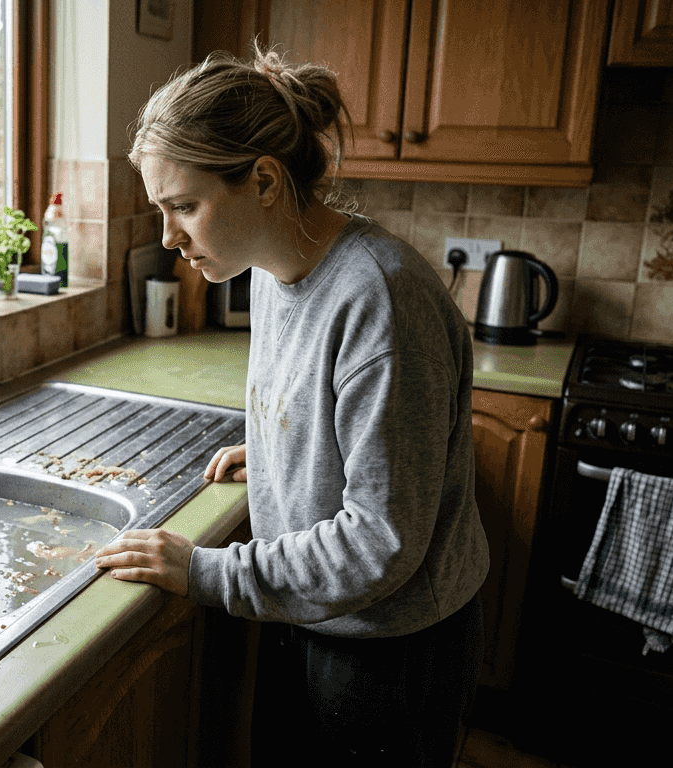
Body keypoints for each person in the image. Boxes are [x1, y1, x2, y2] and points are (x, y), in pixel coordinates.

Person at [93, 45, 489, 767]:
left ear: (265, 180)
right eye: (162, 209)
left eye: (185, 206)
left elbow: (381, 542)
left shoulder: (380, 299)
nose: (168, 237)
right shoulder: (274, 273)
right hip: (316, 613)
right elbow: (332, 414)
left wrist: (209, 573)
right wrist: (287, 447)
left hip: (392, 651)